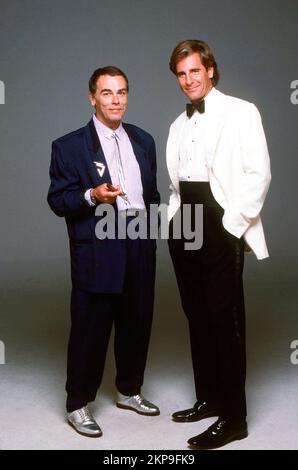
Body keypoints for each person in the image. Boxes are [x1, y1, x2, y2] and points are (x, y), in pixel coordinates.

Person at [166, 40, 271, 450]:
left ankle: (235, 417)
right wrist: (174, 222)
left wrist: (232, 225)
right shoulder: (178, 124)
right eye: (181, 73)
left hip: (222, 222)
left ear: (210, 69)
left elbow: (257, 173)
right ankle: (209, 398)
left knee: (224, 320)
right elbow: (175, 184)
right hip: (185, 225)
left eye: (195, 70)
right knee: (197, 315)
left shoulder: (242, 112)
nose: (189, 79)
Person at [47, 66, 160, 438]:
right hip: (98, 247)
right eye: (108, 93)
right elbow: (58, 199)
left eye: (122, 92)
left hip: (139, 240)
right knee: (90, 329)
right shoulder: (68, 146)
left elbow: (151, 195)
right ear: (92, 97)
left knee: (136, 322)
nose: (116, 100)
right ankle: (77, 404)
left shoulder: (144, 140)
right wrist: (91, 195)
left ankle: (129, 390)